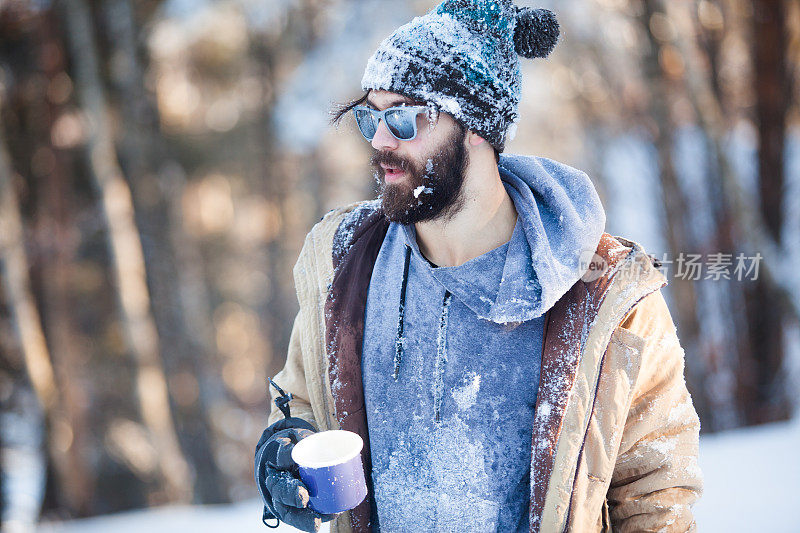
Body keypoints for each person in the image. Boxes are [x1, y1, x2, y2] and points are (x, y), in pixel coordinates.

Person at [254, 1, 703, 531]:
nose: (379, 141)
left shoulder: (607, 296)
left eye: (402, 117)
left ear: (476, 126)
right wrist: (285, 448)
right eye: (369, 117)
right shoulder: (344, 262)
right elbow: (301, 397)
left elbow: (657, 496)